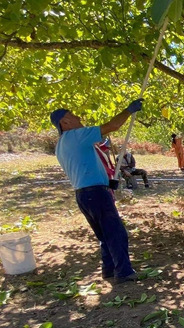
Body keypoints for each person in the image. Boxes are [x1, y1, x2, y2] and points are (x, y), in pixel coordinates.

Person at [50, 99, 143, 283]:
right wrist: (128, 110)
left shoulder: (62, 144)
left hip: (84, 194)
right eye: (72, 115)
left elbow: (85, 167)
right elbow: (112, 126)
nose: (78, 117)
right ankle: (123, 272)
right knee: (115, 232)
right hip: (94, 193)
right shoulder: (76, 135)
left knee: (104, 234)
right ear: (65, 122)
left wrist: (108, 182)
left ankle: (108, 270)